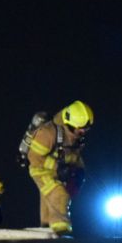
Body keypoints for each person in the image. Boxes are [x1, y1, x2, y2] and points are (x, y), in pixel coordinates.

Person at [25, 100, 93, 235]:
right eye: (81, 128)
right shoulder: (48, 133)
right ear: (70, 124)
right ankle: (61, 231)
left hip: (59, 173)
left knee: (50, 203)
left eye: (86, 128)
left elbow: (74, 156)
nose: (83, 131)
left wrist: (80, 170)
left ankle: (46, 231)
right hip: (41, 171)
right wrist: (58, 167)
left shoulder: (74, 137)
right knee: (59, 194)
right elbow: (33, 157)